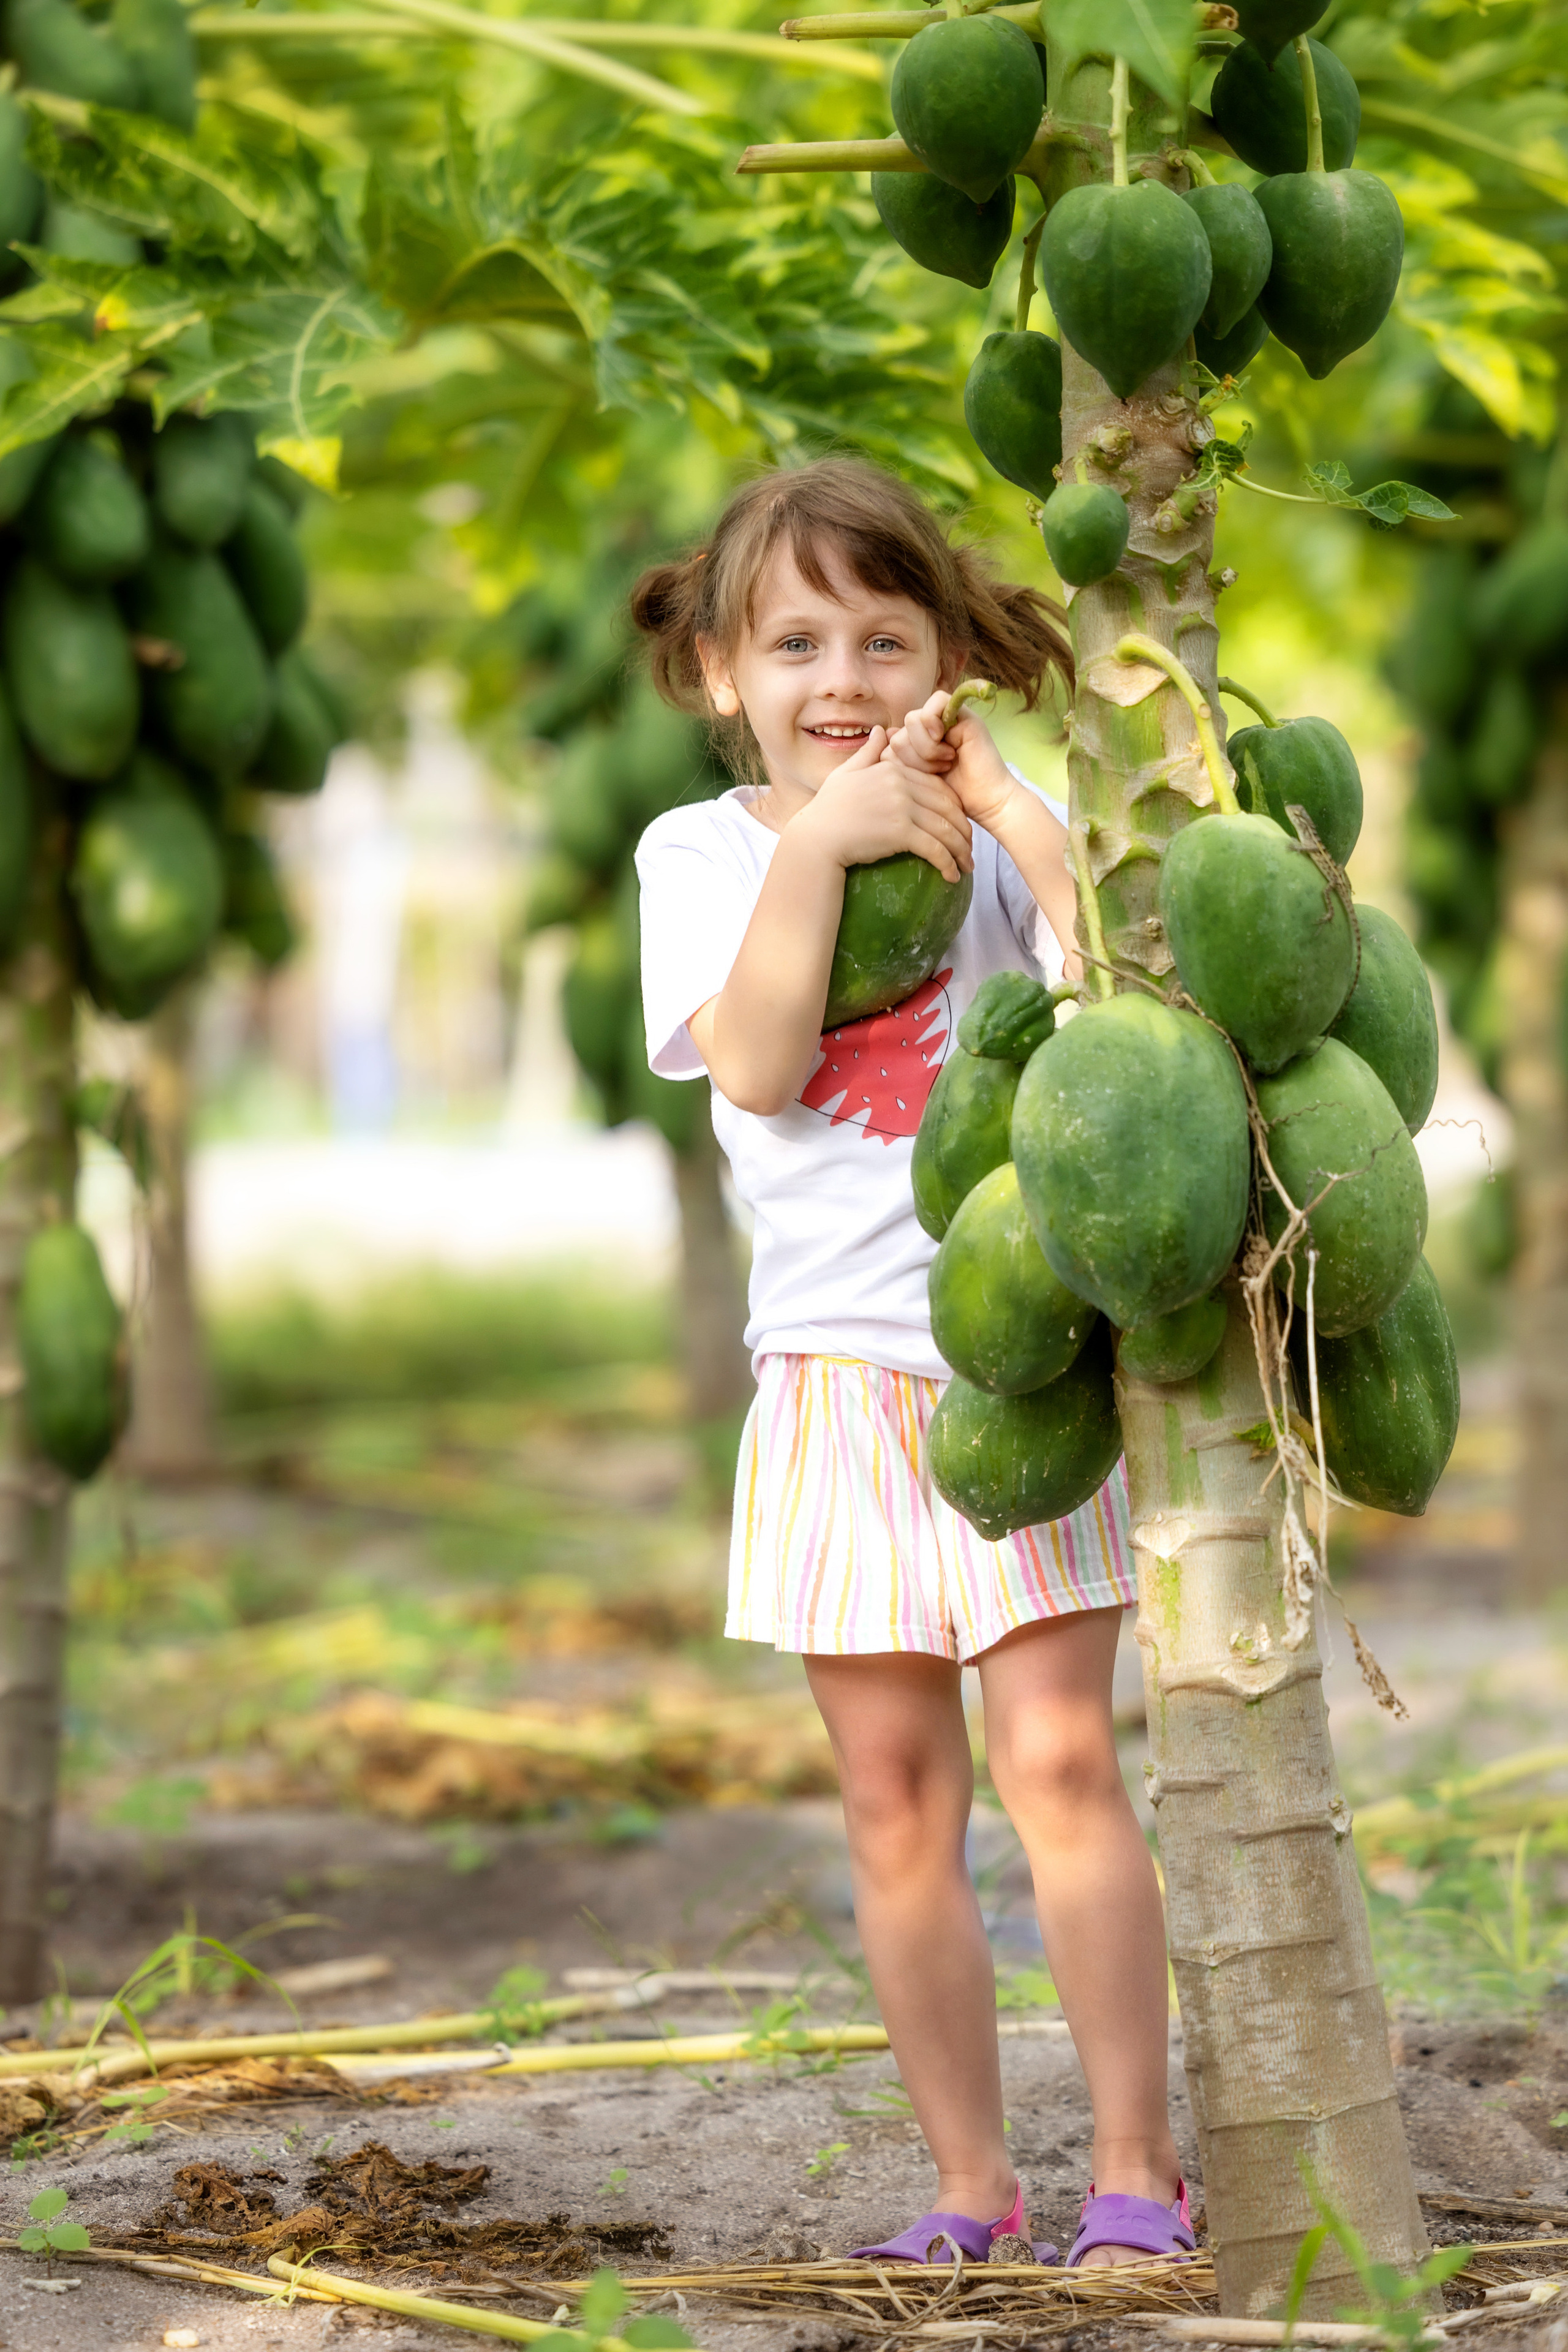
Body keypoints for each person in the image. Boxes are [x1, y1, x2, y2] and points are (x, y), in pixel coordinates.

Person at [630, 458, 1189, 2270]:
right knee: (895, 1805)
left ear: (948, 656)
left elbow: (1129, 1020)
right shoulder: (707, 854)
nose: (843, 675)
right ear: (725, 672)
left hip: (1017, 1377)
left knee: (1062, 1768)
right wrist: (816, 844)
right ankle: (969, 2185)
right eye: (796, 639)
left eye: (888, 632)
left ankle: (1132, 2171)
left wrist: (1020, 821)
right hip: (829, 1393)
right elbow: (761, 1064)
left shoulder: (996, 847)